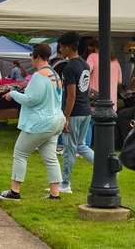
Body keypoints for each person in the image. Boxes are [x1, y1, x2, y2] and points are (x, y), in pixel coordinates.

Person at [0, 43, 65, 201]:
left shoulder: (39, 76)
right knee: (50, 157)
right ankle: (55, 194)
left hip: (41, 122)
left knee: (20, 153)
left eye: (31, 56)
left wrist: (12, 93)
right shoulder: (55, 74)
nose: (31, 59)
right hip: (56, 120)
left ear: (37, 57)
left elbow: (31, 99)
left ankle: (14, 191)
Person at [57, 31, 94, 194]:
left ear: (66, 48)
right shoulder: (85, 64)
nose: (60, 51)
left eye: (60, 48)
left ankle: (65, 184)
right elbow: (86, 90)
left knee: (69, 148)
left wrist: (65, 118)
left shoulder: (69, 67)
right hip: (86, 110)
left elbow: (71, 95)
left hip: (75, 112)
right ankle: (105, 167)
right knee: (81, 145)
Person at [85, 42, 122, 147]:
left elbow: (85, 72)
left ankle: (86, 147)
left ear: (96, 48)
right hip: (112, 101)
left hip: (95, 98)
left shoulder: (93, 57)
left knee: (89, 123)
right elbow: (120, 81)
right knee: (108, 124)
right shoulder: (115, 61)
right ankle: (107, 146)